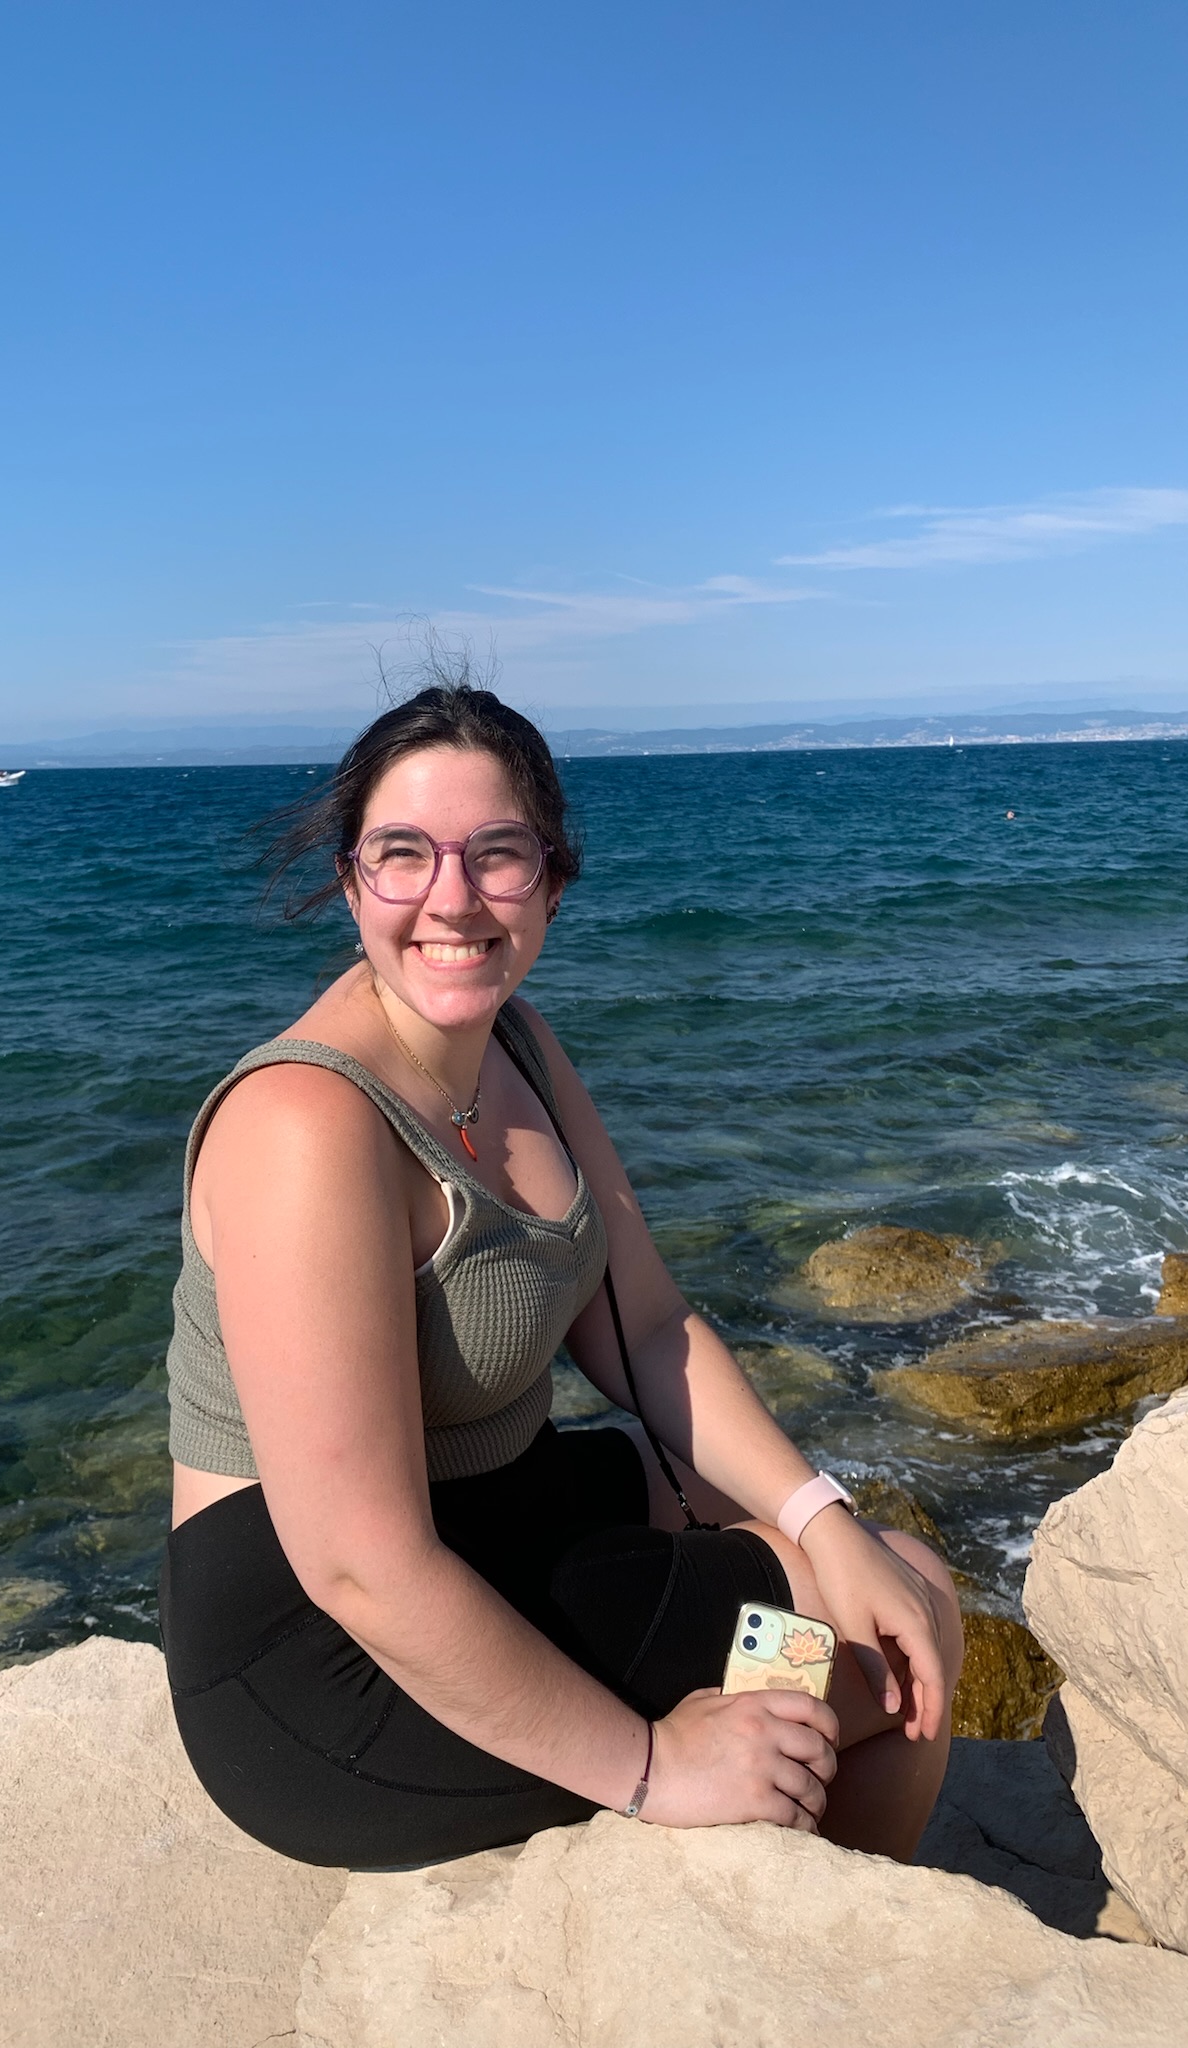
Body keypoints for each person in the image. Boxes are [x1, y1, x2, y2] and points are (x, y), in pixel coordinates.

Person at [159, 674, 962, 1870]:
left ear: (553, 877)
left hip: (487, 1509)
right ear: (350, 880)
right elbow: (357, 1565)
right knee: (883, 1643)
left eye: (496, 853)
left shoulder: (519, 1044)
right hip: (320, 1655)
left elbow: (646, 1328)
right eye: (403, 854)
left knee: (873, 1574)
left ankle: (802, 1887)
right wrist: (656, 1764)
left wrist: (822, 1517)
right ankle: (795, 1914)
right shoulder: (305, 1123)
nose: (452, 896)